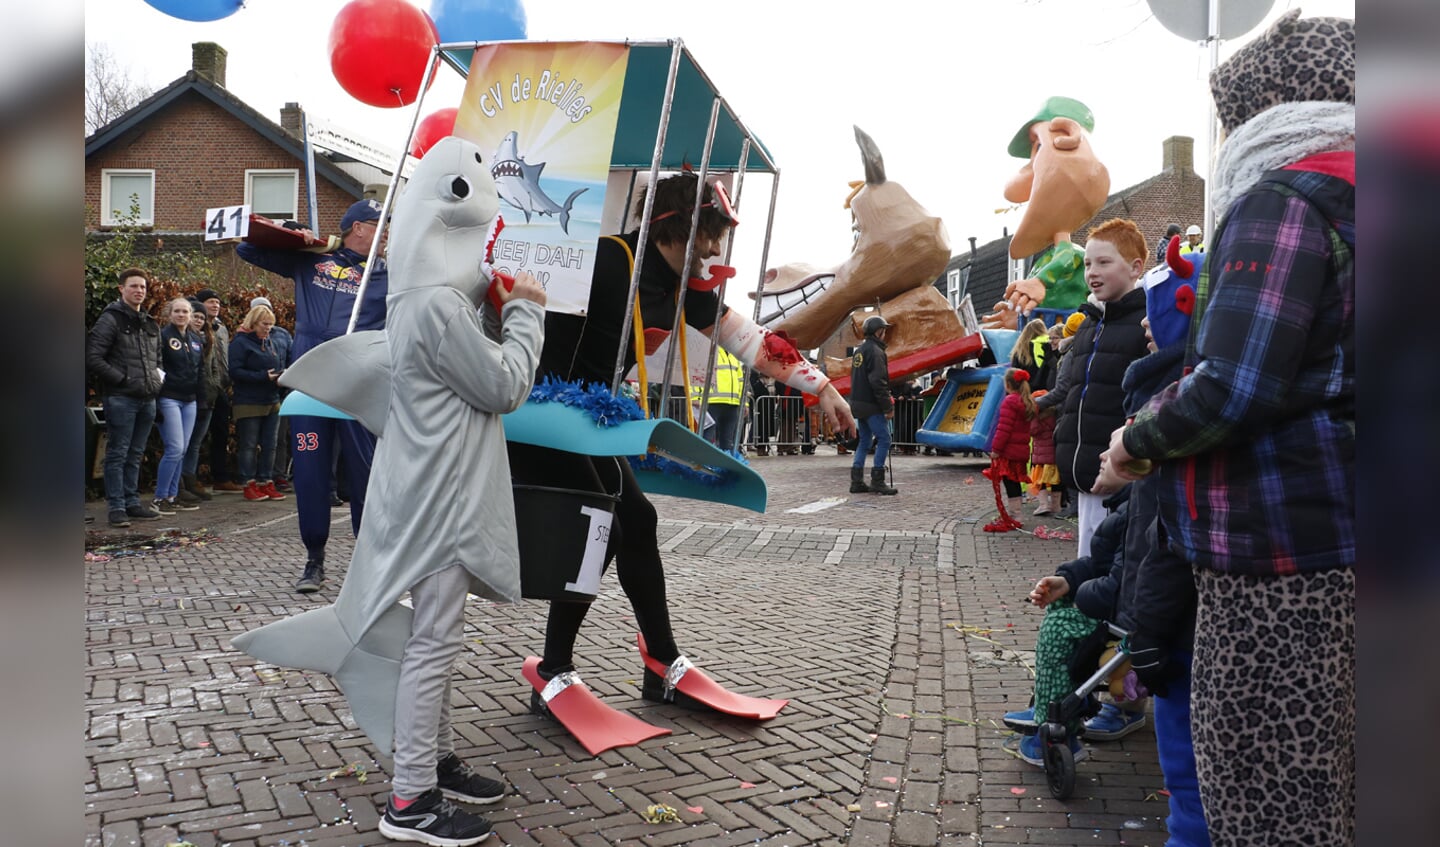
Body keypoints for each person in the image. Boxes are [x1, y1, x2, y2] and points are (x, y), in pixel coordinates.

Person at [1096, 11, 1354, 845]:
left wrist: (1133, 441)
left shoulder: (1285, 201)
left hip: (1283, 554)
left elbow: (1235, 384)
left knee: (1271, 788)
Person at [510, 171, 857, 713]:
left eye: (720, 233)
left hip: (591, 421)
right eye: (710, 232)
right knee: (606, 527)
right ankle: (557, 667)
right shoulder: (606, 258)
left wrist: (823, 387)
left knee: (635, 523)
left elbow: (750, 341)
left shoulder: (677, 286)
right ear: (674, 225)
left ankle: (659, 664)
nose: (716, 247)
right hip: (548, 413)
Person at [237, 198, 388, 593]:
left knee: (364, 473)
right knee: (309, 473)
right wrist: (293, 235)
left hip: (357, 384)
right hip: (310, 383)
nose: (386, 233)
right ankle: (314, 559)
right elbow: (246, 247)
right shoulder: (314, 260)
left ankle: (368, 561)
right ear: (358, 227)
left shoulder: (389, 273)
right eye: (380, 225)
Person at [1036, 218, 1150, 556]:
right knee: (1087, 563)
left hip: (1119, 473)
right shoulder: (1088, 324)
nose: (1092, 272)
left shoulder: (1147, 323)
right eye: (1088, 264)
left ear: (1135, 267)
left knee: (1113, 567)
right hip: (1083, 468)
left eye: (1104, 262)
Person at [982, 96, 1110, 329]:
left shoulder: (1070, 255)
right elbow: (1044, 309)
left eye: (1038, 146)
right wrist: (1019, 318)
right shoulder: (1045, 260)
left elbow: (1067, 258)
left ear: (1067, 135)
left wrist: (1039, 282)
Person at [87, 268, 164, 527]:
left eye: (142, 286)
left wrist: (156, 381)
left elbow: (157, 358)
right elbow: (93, 358)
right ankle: (117, 506)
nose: (139, 290)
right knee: (118, 453)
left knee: (136, 452)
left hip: (147, 398)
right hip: (121, 398)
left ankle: (132, 502)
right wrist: (123, 380)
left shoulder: (149, 321)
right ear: (121, 288)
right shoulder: (111, 319)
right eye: (134, 286)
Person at [227, 304, 286, 503]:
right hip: (248, 401)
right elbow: (235, 372)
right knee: (249, 445)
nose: (268, 328)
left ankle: (266, 481)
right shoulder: (240, 342)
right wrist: (263, 376)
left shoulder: (270, 341)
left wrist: (279, 376)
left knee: (271, 445)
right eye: (264, 324)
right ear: (253, 322)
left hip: (271, 399)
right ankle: (248, 482)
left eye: (270, 325)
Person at [153, 297, 203, 515]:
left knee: (182, 450)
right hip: (169, 397)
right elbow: (157, 367)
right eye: (177, 311)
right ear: (170, 314)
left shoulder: (195, 339)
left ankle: (173, 496)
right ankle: (159, 497)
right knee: (174, 448)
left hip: (190, 399)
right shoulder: (162, 337)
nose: (181, 315)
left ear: (190, 315)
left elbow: (198, 370)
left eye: (185, 311)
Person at [195, 289, 242, 494]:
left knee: (221, 433)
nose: (215, 306)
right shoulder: (196, 327)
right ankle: (193, 477)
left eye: (217, 302)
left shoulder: (221, 328)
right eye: (211, 302)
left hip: (221, 386)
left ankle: (220, 477)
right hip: (202, 387)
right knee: (198, 436)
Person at [847, 314, 896, 495]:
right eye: (884, 331)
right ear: (878, 332)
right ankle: (877, 480)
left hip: (858, 403)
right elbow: (878, 381)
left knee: (865, 441)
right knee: (884, 439)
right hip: (871, 404)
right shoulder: (876, 352)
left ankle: (857, 481)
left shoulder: (859, 351)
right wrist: (887, 407)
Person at [983, 367, 1037, 531]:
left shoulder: (1010, 401)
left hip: (1009, 451)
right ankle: (1016, 512)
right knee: (1014, 481)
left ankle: (1016, 514)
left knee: (1010, 482)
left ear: (1008, 384)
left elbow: (1004, 429)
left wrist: (996, 449)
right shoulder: (1027, 401)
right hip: (1021, 450)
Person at [179, 299, 221, 505]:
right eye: (195, 316)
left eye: (202, 318)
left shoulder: (208, 340)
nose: (198, 320)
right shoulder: (181, 339)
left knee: (195, 443)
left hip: (208, 398)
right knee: (182, 444)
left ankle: (190, 479)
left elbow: (213, 369)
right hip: (187, 398)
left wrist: (215, 387)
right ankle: (178, 484)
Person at [251, 296, 295, 493]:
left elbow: (293, 357)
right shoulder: (246, 337)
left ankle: (278, 475)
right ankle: (254, 478)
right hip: (255, 394)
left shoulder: (283, 335)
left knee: (278, 438)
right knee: (252, 440)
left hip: (281, 392)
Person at [703, 345, 744, 452]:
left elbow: (741, 381)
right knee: (707, 438)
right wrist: (696, 396)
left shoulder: (734, 355)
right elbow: (698, 375)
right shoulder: (710, 351)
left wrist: (745, 403)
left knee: (728, 441)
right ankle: (705, 464)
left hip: (732, 404)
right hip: (712, 402)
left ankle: (726, 465)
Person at [1028, 387, 1060, 517]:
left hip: (1040, 457)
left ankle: (1043, 505)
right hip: (1054, 455)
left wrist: (1033, 418)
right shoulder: (1055, 416)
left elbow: (1033, 431)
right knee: (1056, 481)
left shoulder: (1037, 419)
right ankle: (1056, 506)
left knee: (1039, 481)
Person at [1010, 317, 1056, 392]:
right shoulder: (1048, 347)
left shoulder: (1020, 352)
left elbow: (1014, 375)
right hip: (1046, 391)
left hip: (1026, 391)